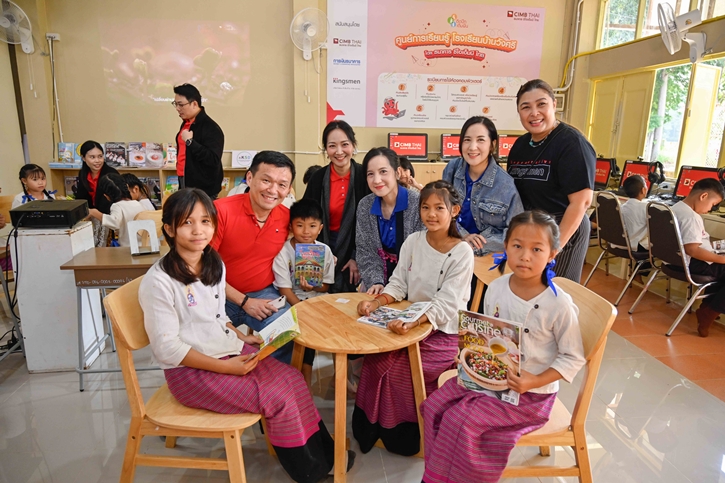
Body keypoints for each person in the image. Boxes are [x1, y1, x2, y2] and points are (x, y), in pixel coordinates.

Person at [139, 188, 354, 483]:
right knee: (277, 397)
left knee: (291, 379)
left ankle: (325, 454)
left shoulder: (212, 263)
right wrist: (227, 365)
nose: (198, 230)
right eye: (187, 222)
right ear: (169, 228)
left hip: (225, 351)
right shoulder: (159, 280)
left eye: (205, 221)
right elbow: (167, 349)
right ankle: (309, 472)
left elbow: (217, 316)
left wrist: (240, 338)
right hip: (189, 373)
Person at [420, 210, 586, 483]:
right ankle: (439, 474)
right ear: (505, 246)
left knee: (461, 422)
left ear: (552, 254)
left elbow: (573, 357)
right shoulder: (496, 287)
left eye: (536, 249)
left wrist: (534, 380)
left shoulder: (558, 304)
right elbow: (487, 336)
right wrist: (467, 355)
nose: (525, 256)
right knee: (435, 406)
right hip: (493, 379)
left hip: (531, 395)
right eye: (517, 246)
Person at [353, 180, 474, 456]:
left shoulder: (462, 251)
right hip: (409, 322)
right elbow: (398, 283)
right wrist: (376, 302)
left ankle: (407, 436)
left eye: (439, 208)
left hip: (443, 332)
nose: (431, 214)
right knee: (376, 358)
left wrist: (414, 322)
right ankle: (372, 428)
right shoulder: (414, 241)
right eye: (425, 207)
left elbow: (447, 305)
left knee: (398, 369)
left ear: (454, 210)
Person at [507, 79, 596, 282]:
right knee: (528, 292)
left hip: (563, 228)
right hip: (531, 229)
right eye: (526, 107)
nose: (534, 113)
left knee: (554, 292)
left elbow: (581, 202)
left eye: (541, 104)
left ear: (554, 105)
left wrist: (554, 247)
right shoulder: (520, 145)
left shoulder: (572, 143)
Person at [212, 151, 296, 363]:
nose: (273, 190)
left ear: (289, 189)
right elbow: (203, 269)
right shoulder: (220, 211)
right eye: (266, 180)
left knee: (286, 330)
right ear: (250, 178)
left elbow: (303, 247)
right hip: (217, 294)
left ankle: (272, 384)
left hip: (264, 293)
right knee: (204, 338)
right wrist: (244, 301)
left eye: (282, 185)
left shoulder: (287, 218)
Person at [272, 199, 335, 387]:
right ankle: (297, 376)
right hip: (291, 301)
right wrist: (302, 308)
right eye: (300, 225)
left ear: (320, 228)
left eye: (312, 226)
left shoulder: (324, 251)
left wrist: (312, 287)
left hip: (315, 299)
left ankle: (310, 375)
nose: (306, 231)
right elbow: (284, 289)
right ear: (291, 226)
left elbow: (326, 286)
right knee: (299, 324)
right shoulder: (283, 252)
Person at [303, 120, 370, 292]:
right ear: (326, 149)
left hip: (355, 244)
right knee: (315, 293)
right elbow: (305, 218)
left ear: (353, 146)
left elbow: (371, 224)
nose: (339, 152)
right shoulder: (318, 178)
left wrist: (357, 257)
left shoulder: (365, 176)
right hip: (322, 243)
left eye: (345, 144)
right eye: (332, 146)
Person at [443, 116, 523, 255]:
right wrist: (462, 236)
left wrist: (478, 244)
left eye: (480, 140)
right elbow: (442, 210)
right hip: (453, 248)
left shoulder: (505, 184)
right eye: (467, 140)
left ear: (492, 144)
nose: (472, 147)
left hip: (487, 257)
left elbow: (517, 231)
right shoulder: (452, 169)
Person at [356, 147, 424, 294]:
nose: (377, 180)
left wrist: (397, 288)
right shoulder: (364, 206)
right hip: (377, 284)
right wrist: (376, 281)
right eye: (370, 174)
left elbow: (422, 253)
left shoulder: (417, 203)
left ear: (397, 172)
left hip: (413, 284)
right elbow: (365, 251)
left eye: (383, 172)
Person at [670, 178, 725, 337]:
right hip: (690, 263)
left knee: (720, 274)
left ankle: (707, 308)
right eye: (712, 204)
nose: (710, 209)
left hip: (674, 260)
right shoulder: (691, 217)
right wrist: (722, 259)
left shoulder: (677, 208)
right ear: (703, 196)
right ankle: (709, 313)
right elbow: (692, 250)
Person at [173, 83, 224, 198]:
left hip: (203, 189)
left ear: (194, 104)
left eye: (181, 105)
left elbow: (213, 159)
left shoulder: (211, 128)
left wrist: (190, 142)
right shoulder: (186, 123)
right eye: (175, 104)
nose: (177, 108)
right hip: (184, 180)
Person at [88, 174, 147, 247]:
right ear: (127, 187)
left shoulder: (117, 206)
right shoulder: (138, 204)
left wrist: (94, 213)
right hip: (146, 245)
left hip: (129, 248)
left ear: (106, 196)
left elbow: (114, 222)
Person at [76, 140, 120, 214]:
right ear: (83, 158)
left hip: (109, 215)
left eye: (100, 156)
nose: (97, 161)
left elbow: (118, 199)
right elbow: (81, 197)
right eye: (92, 157)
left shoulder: (111, 174)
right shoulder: (82, 173)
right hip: (89, 215)